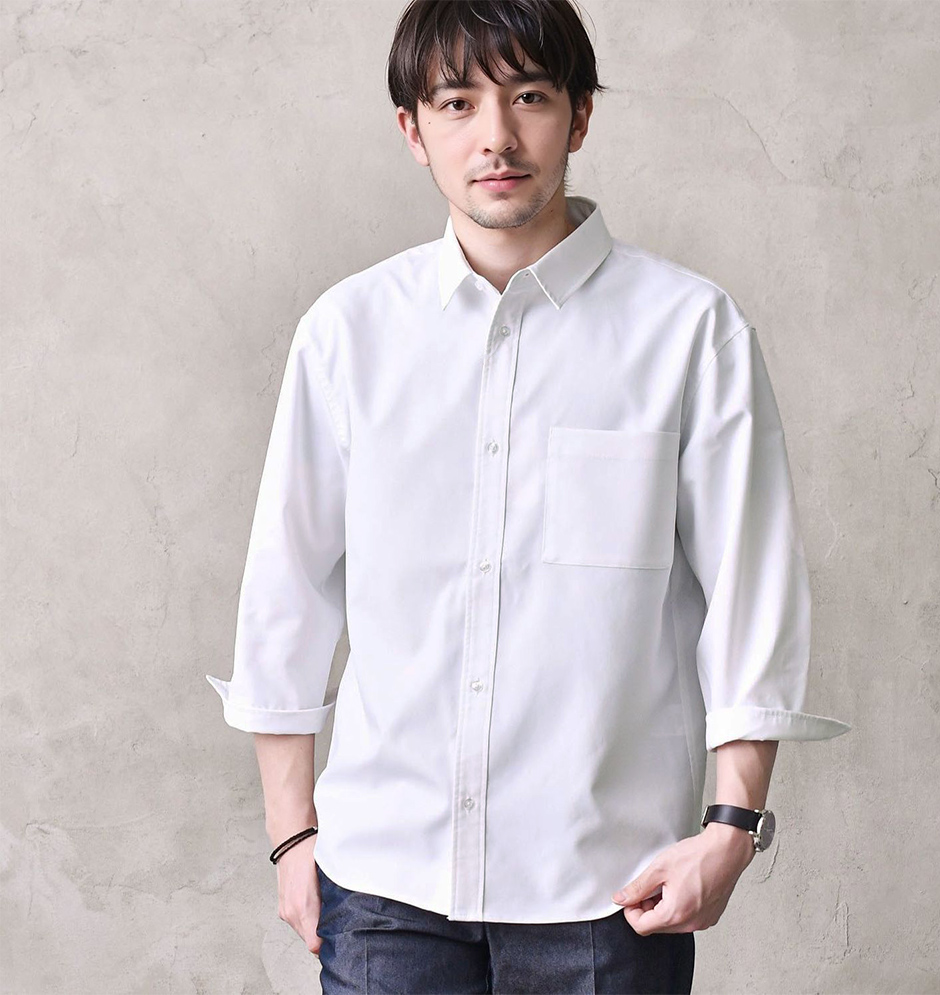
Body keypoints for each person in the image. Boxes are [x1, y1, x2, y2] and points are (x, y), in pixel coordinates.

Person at [206, 1, 852, 991]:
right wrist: (293, 837)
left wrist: (731, 826)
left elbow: (751, 588)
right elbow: (286, 590)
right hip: (382, 884)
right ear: (412, 130)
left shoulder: (689, 332)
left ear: (579, 116)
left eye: (531, 98)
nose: (496, 137)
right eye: (457, 103)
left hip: (606, 889)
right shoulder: (347, 333)